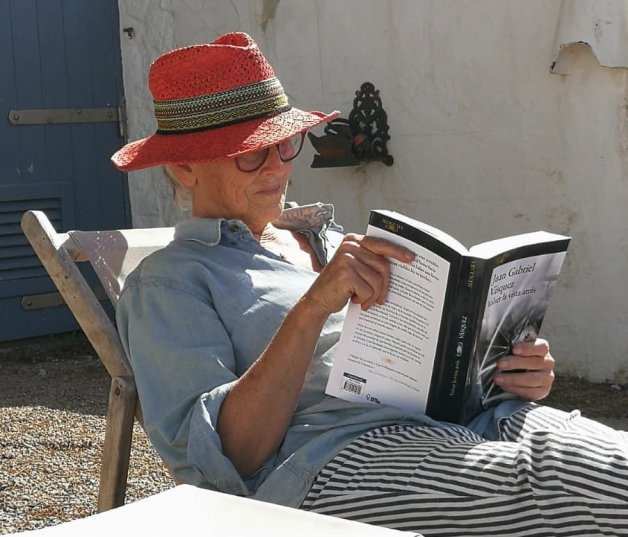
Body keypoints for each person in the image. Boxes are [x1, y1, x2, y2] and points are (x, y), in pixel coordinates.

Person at [111, 32, 628, 536]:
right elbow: (230, 459)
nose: (277, 167)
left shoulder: (327, 237)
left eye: (285, 143)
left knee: (610, 462)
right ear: (183, 167)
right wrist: (314, 307)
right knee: (572, 486)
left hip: (463, 420)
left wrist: (508, 370)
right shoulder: (168, 284)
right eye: (251, 153)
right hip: (332, 456)